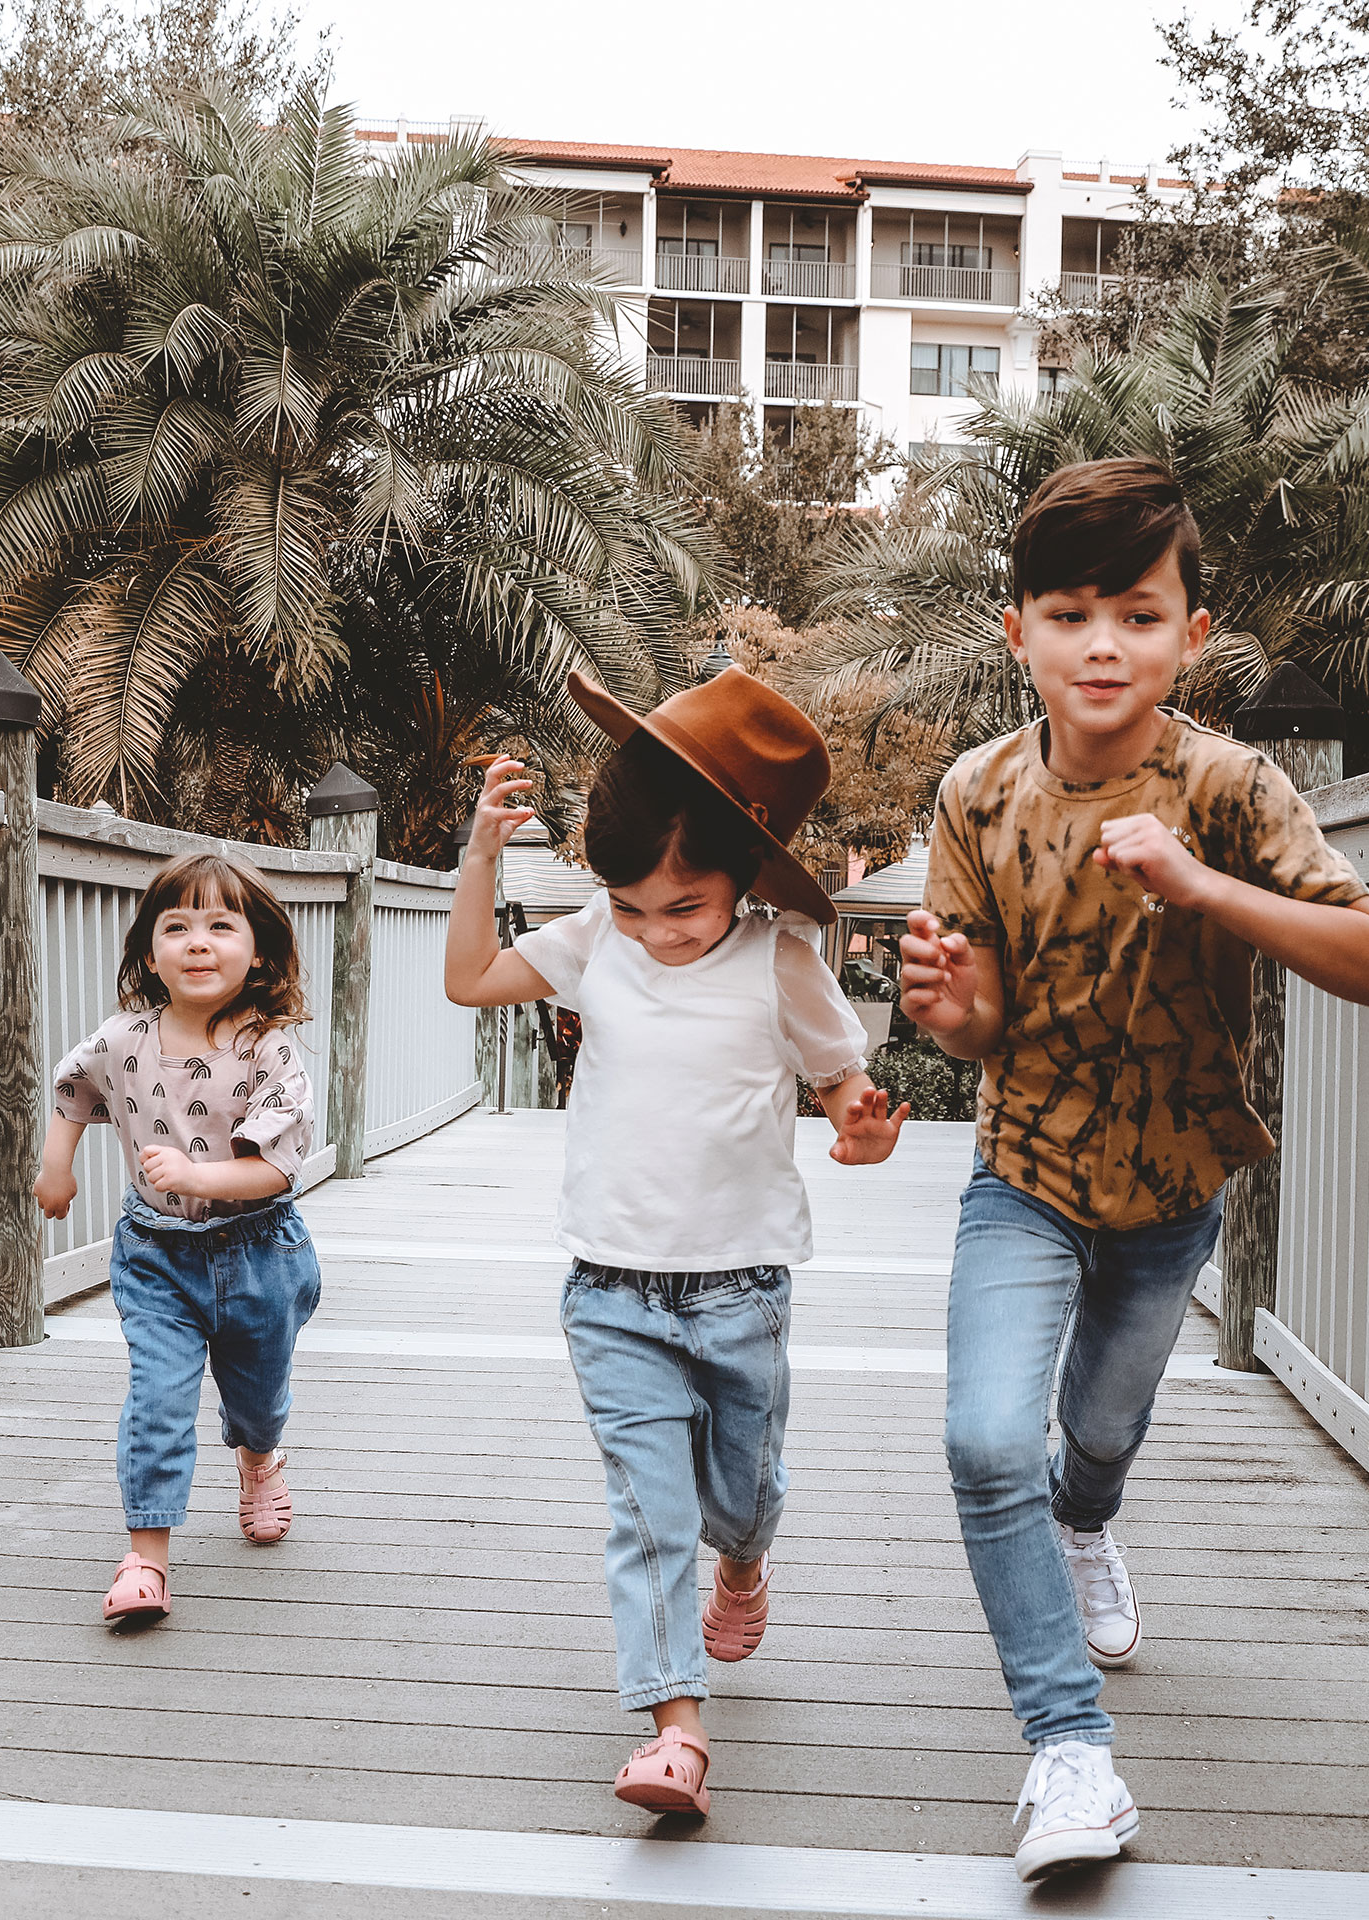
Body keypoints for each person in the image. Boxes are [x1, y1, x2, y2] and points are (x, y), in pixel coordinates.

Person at [897, 458, 1369, 1880]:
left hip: (1179, 1182)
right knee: (985, 1439)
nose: (1104, 644)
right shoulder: (974, 795)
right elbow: (982, 1016)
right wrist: (952, 1011)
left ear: (1192, 634)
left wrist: (1204, 886)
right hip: (1025, 1169)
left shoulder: (1232, 787)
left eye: (1138, 611)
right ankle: (1069, 1755)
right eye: (1070, 614)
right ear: (1020, 636)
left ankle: (1089, 1521)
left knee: (1100, 1434)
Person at [446, 666, 907, 1819]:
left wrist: (862, 1127)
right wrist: (480, 860)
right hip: (610, 1286)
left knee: (737, 1500)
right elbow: (468, 980)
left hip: (740, 1286)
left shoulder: (780, 961)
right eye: (638, 906)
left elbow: (843, 1080)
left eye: (684, 908)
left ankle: (745, 1564)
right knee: (650, 1510)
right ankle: (673, 1724)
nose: (656, 931)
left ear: (744, 882)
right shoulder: (599, 936)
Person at [37, 851, 324, 1626]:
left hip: (260, 1250)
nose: (198, 942)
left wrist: (201, 1178)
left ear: (256, 949)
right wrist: (56, 1169)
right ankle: (146, 1557)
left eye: (221, 926)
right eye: (177, 926)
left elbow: (273, 1167)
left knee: (257, 1401)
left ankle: (260, 1459)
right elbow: (73, 1092)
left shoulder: (270, 1048)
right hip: (156, 1255)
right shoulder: (121, 1037)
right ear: (150, 952)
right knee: (158, 1397)